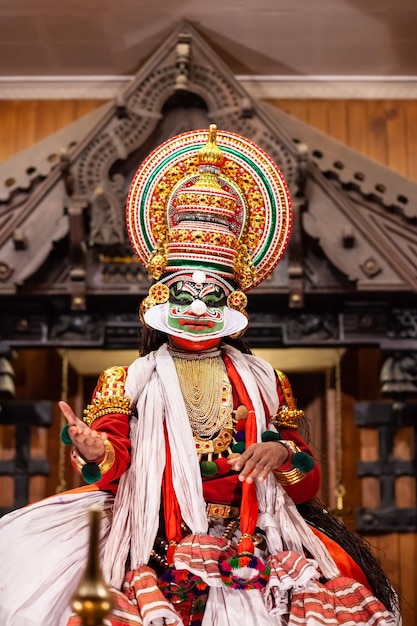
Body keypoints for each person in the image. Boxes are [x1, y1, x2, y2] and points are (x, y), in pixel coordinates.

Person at [0, 126, 400, 625]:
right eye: (181, 295)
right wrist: (97, 450)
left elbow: (303, 484)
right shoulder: (127, 379)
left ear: (234, 303)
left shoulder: (267, 382)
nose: (195, 308)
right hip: (155, 541)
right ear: (159, 300)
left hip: (259, 546)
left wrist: (281, 455)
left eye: (210, 297)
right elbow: (114, 461)